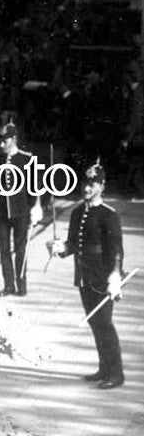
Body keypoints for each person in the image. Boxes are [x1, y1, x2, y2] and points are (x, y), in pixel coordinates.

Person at [48, 162, 126, 389]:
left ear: (102, 186)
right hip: (84, 276)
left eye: (92, 184)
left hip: (102, 279)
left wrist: (115, 278)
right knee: (95, 323)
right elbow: (73, 244)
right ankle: (104, 368)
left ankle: (116, 373)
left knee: (105, 324)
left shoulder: (109, 215)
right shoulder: (77, 212)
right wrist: (60, 247)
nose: (87, 188)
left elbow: (116, 251)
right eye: (85, 183)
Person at [0, 123, 40, 297]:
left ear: (14, 139)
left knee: (21, 249)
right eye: (0, 140)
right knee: (4, 250)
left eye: (5, 140)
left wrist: (36, 207)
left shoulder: (26, 159)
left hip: (21, 212)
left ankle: (21, 283)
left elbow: (35, 187)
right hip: (2, 212)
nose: (1, 144)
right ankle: (8, 285)